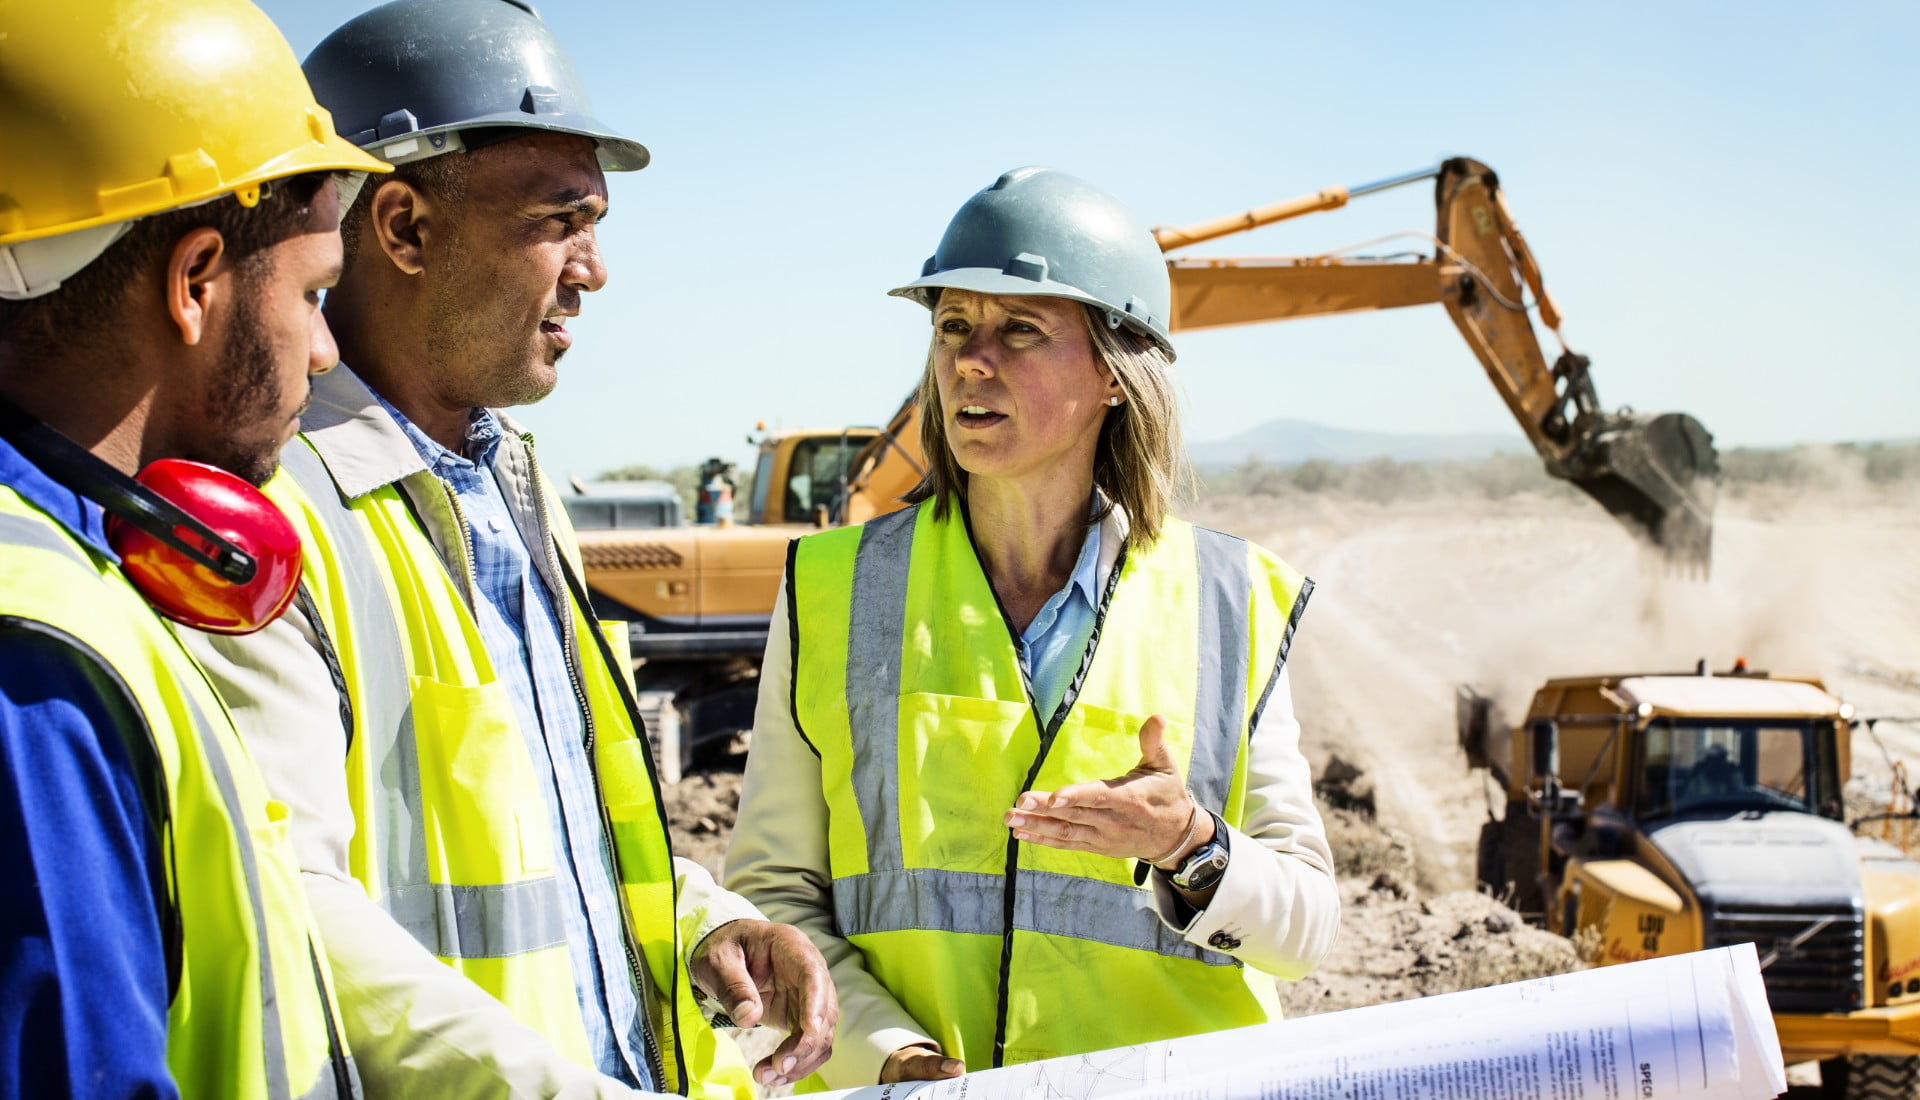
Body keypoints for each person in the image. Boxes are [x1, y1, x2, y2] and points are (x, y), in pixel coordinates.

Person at [180, 1, 836, 1097]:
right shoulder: (264, 517)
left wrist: (704, 920)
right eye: (560, 219)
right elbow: (288, 907)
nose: (594, 269)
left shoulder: (515, 489)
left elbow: (551, 831)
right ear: (402, 229)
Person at [726, 167, 1341, 1087]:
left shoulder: (1229, 597)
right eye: (952, 327)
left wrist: (1191, 846)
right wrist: (893, 1058)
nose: (973, 361)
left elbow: (1307, 929)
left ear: (1117, 374)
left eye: (1021, 330)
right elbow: (774, 898)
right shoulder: (832, 589)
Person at [0, 1, 391, 1095]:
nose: (322, 350)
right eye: (314, 293)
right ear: (194, 279)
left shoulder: (63, 574)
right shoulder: (34, 658)